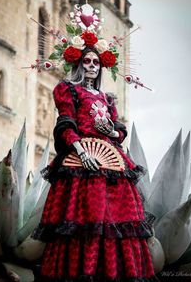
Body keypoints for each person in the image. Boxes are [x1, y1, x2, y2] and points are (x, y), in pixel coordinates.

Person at [32, 44, 159, 281]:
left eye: (96, 63)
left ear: (101, 67)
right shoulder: (68, 90)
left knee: (115, 222)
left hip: (112, 165)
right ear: (79, 64)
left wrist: (110, 133)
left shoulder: (107, 98)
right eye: (87, 62)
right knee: (85, 221)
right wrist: (81, 152)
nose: (92, 66)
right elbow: (66, 124)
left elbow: (118, 131)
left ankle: (112, 272)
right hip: (82, 164)